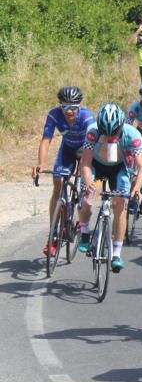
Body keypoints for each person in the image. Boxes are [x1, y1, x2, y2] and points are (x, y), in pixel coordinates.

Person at [79, 103, 142, 272]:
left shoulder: (133, 134)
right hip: (96, 166)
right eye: (105, 133)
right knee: (90, 198)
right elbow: (86, 162)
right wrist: (88, 182)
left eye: (114, 134)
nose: (110, 137)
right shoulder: (92, 131)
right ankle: (85, 231)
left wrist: (137, 189)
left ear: (121, 126)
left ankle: (116, 252)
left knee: (121, 206)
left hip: (119, 168)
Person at [34, 86, 96, 255]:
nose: (69, 111)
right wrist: (40, 164)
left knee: (86, 187)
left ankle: (83, 221)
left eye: (73, 107)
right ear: (60, 106)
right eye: (65, 107)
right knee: (58, 183)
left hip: (86, 149)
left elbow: (94, 144)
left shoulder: (87, 118)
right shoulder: (54, 114)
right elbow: (46, 140)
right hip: (67, 149)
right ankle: (53, 234)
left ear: (80, 106)